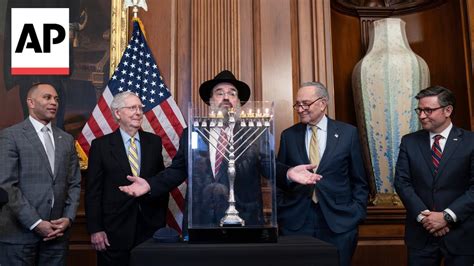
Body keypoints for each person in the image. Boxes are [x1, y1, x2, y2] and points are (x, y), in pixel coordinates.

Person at [119, 70, 321, 226]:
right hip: (201, 219)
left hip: (245, 219)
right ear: (210, 101)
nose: (226, 97)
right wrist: (150, 185)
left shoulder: (255, 133)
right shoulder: (194, 132)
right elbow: (178, 169)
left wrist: (288, 173)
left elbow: (269, 167)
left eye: (232, 93)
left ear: (239, 102)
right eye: (219, 93)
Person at [277, 82, 369, 266]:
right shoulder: (289, 136)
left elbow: (359, 180)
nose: (300, 109)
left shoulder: (348, 133)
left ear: (323, 103)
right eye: (297, 104)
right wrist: (283, 211)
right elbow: (280, 177)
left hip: (339, 221)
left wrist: (356, 212)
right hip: (296, 222)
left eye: (305, 103)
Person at [0, 83, 81, 266]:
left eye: (56, 99)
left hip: (56, 237)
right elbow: (6, 185)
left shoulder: (66, 140)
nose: (54, 102)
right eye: (47, 97)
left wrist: (68, 218)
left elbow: (75, 183)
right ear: (31, 102)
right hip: (19, 236)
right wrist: (36, 223)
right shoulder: (10, 136)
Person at [85, 91, 168, 266]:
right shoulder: (101, 146)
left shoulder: (154, 142)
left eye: (140, 108)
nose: (138, 112)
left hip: (150, 228)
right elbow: (93, 191)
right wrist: (96, 229)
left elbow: (161, 182)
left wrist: (160, 221)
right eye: (132, 108)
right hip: (113, 230)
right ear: (117, 113)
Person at [394, 85, 474, 266]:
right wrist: (427, 219)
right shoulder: (409, 141)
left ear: (448, 110)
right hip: (421, 236)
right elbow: (402, 182)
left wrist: (446, 217)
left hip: (461, 236)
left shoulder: (470, 142)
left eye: (428, 110)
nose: (422, 115)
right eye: (419, 110)